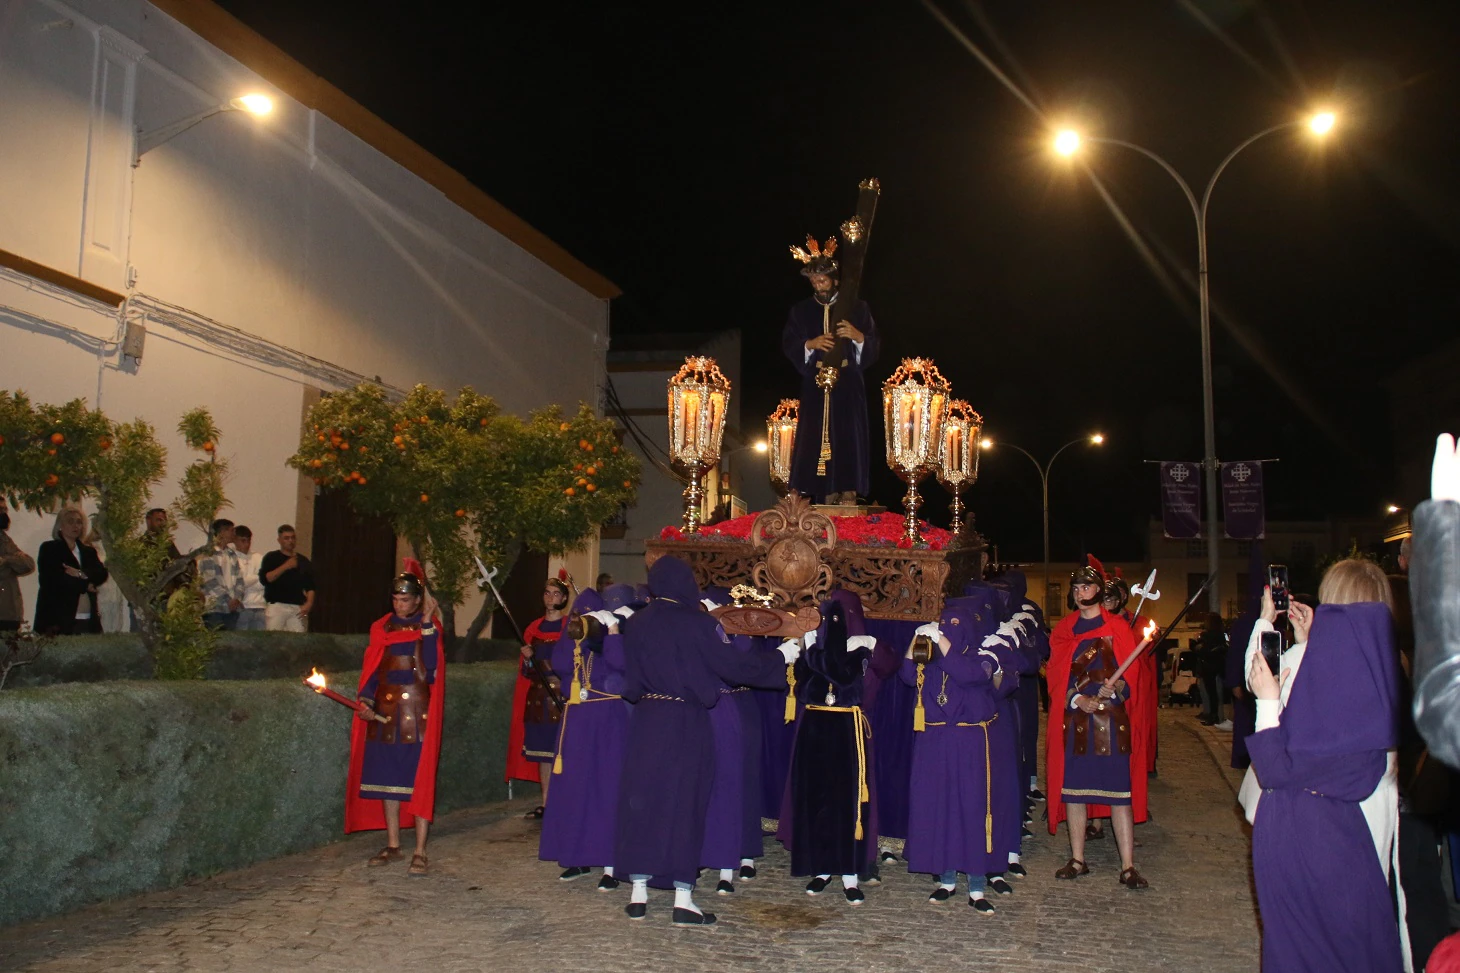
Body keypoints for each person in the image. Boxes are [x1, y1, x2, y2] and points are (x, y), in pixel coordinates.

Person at [614, 555, 796, 926]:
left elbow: (631, 683)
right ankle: (683, 898)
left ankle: (639, 893)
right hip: (685, 720)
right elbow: (734, 667)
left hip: (647, 722)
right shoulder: (697, 623)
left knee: (644, 803)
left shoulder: (635, 623)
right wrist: (781, 655)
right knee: (686, 804)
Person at [1246, 561, 1404, 973]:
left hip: (1327, 831)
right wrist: (1306, 642)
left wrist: (1266, 700)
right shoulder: (1386, 662)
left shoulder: (1336, 681)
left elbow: (1281, 765)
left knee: (1320, 945)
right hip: (1370, 811)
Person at [1044, 556, 1148, 890]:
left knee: (1120, 795)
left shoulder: (1118, 628)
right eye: (1076, 587)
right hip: (1077, 722)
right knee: (1075, 793)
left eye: (1086, 586)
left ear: (1098, 589)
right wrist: (1078, 699)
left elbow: (1130, 678)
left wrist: (1115, 687)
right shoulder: (1064, 631)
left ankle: (1128, 865)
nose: (1079, 591)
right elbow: (1056, 681)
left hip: (1111, 721)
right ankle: (1078, 859)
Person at [901, 606, 1006, 913]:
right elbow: (907, 676)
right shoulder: (931, 658)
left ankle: (976, 885)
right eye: (944, 624)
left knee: (970, 809)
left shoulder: (984, 657)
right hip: (934, 744)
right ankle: (946, 879)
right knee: (940, 808)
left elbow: (969, 675)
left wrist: (942, 641)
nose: (948, 628)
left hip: (969, 744)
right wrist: (916, 640)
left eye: (955, 624)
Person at [779, 590, 879, 903]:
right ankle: (820, 867)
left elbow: (842, 674)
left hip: (845, 731)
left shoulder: (858, 652)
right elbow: (805, 686)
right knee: (816, 799)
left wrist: (813, 649)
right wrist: (806, 649)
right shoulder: (810, 652)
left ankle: (849, 873)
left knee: (846, 801)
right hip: (815, 728)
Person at [346, 563, 445, 877]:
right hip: (385, 713)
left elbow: (431, 669)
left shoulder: (430, 627)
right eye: (395, 600)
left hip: (417, 714)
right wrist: (364, 700)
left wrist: (428, 625)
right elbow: (373, 669)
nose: (399, 605)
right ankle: (393, 844)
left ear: (417, 600)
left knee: (418, 781)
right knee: (388, 782)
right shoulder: (382, 627)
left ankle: (419, 849)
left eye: (405, 600)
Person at [538, 587, 631, 886]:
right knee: (576, 789)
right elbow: (561, 665)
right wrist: (573, 632)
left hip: (608, 722)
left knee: (607, 789)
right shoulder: (574, 643)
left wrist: (611, 630)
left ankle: (610, 864)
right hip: (577, 723)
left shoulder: (616, 639)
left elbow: (620, 665)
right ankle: (575, 856)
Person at [781, 235, 879, 505]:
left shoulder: (857, 308)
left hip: (847, 382)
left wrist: (858, 337)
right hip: (815, 384)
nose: (818, 285)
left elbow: (873, 343)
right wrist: (810, 344)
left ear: (834, 278)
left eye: (822, 280)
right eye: (813, 281)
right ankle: (818, 489)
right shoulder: (801, 311)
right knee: (813, 434)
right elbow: (790, 343)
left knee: (848, 432)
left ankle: (848, 488)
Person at [511, 576, 570, 818]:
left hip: (562, 696)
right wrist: (526, 657)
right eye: (547, 593)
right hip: (538, 699)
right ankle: (546, 803)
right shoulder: (533, 629)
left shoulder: (570, 627)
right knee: (543, 754)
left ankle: (564, 801)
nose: (550, 598)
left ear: (564, 598)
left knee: (563, 751)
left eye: (555, 594)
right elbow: (526, 672)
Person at [35, 507, 108, 635]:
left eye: (79, 522)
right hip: (57, 619)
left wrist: (80, 573)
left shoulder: (88, 551)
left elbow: (102, 574)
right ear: (60, 526)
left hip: (87, 617)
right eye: (70, 521)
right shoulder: (50, 549)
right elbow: (52, 580)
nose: (76, 525)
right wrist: (86, 585)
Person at [260, 525, 314, 631]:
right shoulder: (272, 557)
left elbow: (310, 585)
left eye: (293, 537)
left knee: (298, 640)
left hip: (296, 606)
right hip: (277, 605)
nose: (290, 541)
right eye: (286, 538)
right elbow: (267, 579)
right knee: (273, 638)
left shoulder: (303, 560)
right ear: (279, 540)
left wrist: (309, 603)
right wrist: (286, 566)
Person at [197, 519, 243, 631]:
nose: (234, 534)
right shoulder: (208, 553)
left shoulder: (232, 554)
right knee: (216, 643)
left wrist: (237, 598)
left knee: (230, 644)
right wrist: (228, 599)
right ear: (222, 532)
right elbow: (209, 581)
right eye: (231, 530)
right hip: (214, 608)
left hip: (232, 609)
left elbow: (239, 579)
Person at [0, 497, 36, 632]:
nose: (3, 514)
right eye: (0, 509)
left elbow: (28, 564)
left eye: (4, 509)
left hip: (10, 612)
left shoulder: (4, 538)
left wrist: (7, 560)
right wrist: (13, 560)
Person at [231, 526, 267, 631]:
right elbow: (238, 583)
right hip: (242, 607)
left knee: (259, 643)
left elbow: (265, 582)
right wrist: (257, 577)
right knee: (241, 643)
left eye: (248, 541)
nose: (246, 544)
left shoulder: (259, 557)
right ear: (235, 540)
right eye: (243, 541)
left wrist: (248, 581)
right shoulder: (232, 558)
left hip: (260, 607)